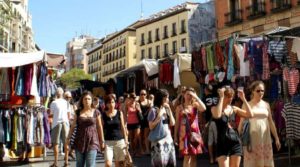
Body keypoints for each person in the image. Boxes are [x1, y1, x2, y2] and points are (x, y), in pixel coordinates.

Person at [239, 81, 281, 167]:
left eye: (262, 90)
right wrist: (239, 138)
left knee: (266, 163)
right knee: (253, 163)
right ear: (253, 91)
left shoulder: (266, 105)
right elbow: (241, 122)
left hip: (265, 137)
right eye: (258, 91)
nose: (260, 93)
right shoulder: (247, 104)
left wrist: (276, 138)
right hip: (252, 138)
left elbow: (271, 122)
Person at [211, 86, 253, 167]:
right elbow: (217, 115)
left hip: (235, 143)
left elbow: (250, 114)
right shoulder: (214, 108)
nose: (230, 99)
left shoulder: (234, 108)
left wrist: (243, 99)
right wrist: (222, 98)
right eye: (228, 96)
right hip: (222, 144)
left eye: (232, 97)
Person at [66, 91, 104, 167]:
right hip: (79, 140)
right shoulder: (78, 112)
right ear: (82, 101)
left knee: (90, 164)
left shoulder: (96, 112)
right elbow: (73, 126)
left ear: (92, 100)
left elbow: (100, 127)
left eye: (89, 99)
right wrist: (68, 139)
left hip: (93, 141)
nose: (87, 101)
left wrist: (102, 141)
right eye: (85, 99)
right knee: (79, 164)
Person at [174, 87, 206, 167]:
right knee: (187, 157)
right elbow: (177, 122)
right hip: (184, 135)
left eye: (191, 95)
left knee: (194, 156)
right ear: (183, 95)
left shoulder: (195, 105)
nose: (189, 96)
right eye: (188, 94)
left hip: (195, 134)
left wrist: (196, 97)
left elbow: (204, 108)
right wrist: (175, 136)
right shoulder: (179, 107)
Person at [148, 89, 176, 167]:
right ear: (162, 98)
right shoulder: (153, 110)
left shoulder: (166, 109)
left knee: (169, 163)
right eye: (167, 98)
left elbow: (173, 123)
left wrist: (169, 110)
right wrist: (159, 115)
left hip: (168, 140)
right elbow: (151, 126)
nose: (168, 100)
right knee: (159, 163)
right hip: (158, 141)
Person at [102, 95, 128, 167]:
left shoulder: (119, 113)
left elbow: (123, 127)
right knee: (108, 164)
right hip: (108, 142)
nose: (111, 104)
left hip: (119, 141)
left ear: (115, 103)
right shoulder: (103, 114)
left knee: (119, 164)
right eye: (109, 103)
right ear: (106, 104)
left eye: (113, 102)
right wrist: (102, 141)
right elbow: (101, 129)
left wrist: (126, 140)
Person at [50, 87, 70, 167]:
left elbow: (51, 114)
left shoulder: (53, 103)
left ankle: (55, 162)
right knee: (66, 143)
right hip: (65, 122)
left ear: (56, 94)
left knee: (56, 143)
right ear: (62, 94)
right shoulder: (66, 103)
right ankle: (66, 161)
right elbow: (68, 115)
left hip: (56, 123)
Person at [202, 84, 219, 164]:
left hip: (209, 121)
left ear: (206, 90)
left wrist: (202, 122)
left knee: (210, 140)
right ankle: (216, 157)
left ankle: (211, 158)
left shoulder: (204, 98)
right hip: (217, 121)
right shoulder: (217, 98)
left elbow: (202, 112)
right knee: (217, 140)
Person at [138, 89, 152, 154]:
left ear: (146, 95)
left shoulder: (149, 102)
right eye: (141, 94)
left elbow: (152, 109)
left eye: (144, 94)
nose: (143, 95)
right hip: (139, 120)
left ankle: (147, 149)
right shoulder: (138, 102)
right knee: (140, 135)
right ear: (139, 95)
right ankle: (141, 149)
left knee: (146, 135)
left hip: (147, 120)